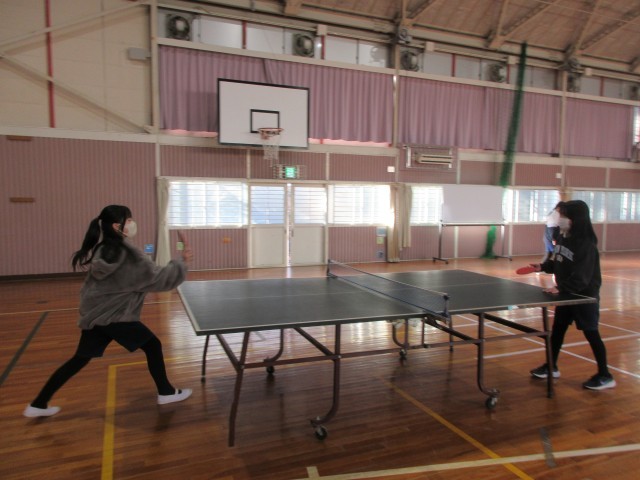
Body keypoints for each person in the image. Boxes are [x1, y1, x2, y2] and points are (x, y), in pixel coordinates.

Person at [24, 205, 194, 418]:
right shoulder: (127, 255)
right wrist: (182, 262)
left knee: (80, 358)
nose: (132, 223)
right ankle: (166, 392)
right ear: (117, 226)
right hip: (116, 317)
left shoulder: (103, 249)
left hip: (96, 315)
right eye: (128, 220)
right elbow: (159, 279)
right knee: (153, 345)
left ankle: (38, 404)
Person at [529, 200, 615, 390]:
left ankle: (605, 375)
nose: (560, 219)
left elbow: (582, 277)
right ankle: (551, 366)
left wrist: (561, 288)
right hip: (567, 293)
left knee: (591, 333)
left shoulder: (586, 245)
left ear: (575, 218)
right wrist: (542, 266)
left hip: (584, 296)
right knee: (558, 330)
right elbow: (559, 261)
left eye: (563, 215)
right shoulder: (563, 236)